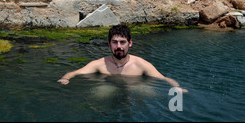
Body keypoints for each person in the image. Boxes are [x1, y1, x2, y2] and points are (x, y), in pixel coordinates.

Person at [57, 25, 186, 91]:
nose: (119, 46)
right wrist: (65, 78)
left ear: (130, 43)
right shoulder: (100, 64)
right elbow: (74, 72)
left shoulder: (141, 65)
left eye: (122, 42)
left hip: (135, 88)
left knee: (148, 93)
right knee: (99, 94)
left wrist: (177, 87)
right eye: (115, 42)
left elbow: (163, 78)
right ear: (109, 44)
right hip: (108, 87)